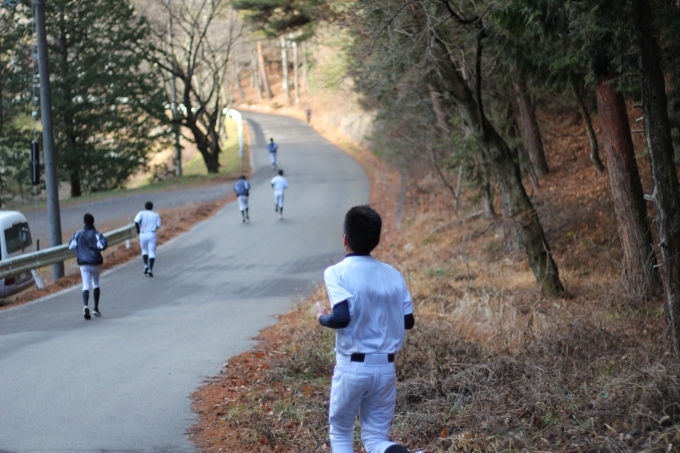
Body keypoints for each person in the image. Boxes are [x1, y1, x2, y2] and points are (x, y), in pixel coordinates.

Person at [315, 206, 429, 453]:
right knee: (376, 439)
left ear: (345, 240)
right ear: (376, 240)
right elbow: (408, 321)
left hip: (353, 366)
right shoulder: (393, 274)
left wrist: (322, 317)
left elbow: (341, 317)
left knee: (341, 432)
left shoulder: (336, 272)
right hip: (385, 368)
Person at [69, 213, 108, 320]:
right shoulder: (96, 234)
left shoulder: (78, 234)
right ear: (93, 222)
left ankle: (85, 305)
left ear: (84, 222)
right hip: (95, 262)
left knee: (85, 285)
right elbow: (103, 245)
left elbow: (71, 246)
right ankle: (95, 308)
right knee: (96, 283)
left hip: (83, 263)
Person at [134, 201, 161, 277]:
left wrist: (138, 230)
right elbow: (158, 225)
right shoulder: (155, 215)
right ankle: (150, 269)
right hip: (152, 233)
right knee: (152, 252)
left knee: (144, 250)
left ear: (145, 207)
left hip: (143, 233)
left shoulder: (141, 213)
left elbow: (136, 221)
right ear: (152, 207)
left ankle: (145, 264)